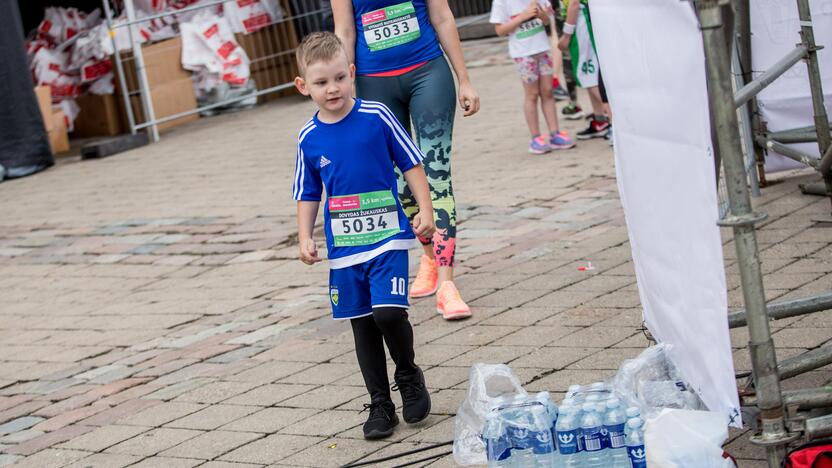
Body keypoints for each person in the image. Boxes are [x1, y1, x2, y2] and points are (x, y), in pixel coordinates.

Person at [292, 32, 433, 440]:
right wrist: (305, 236)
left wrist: (424, 210)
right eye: (321, 82)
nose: (332, 88)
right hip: (344, 248)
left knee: (388, 313)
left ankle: (407, 374)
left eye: (339, 78)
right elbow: (307, 191)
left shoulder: (376, 115)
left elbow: (411, 163)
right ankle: (380, 403)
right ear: (304, 86)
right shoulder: (308, 137)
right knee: (362, 324)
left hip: (387, 237)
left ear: (352, 74)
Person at [332, 0, 478, 320]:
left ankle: (446, 284)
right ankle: (429, 254)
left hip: (428, 73)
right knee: (399, 183)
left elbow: (441, 16)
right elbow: (344, 32)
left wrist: (464, 78)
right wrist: (344, 94)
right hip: (374, 84)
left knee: (437, 176)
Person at [491, 0, 575, 154]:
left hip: (542, 49)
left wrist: (541, 14)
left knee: (548, 91)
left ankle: (554, 133)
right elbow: (500, 30)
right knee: (532, 94)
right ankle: (535, 137)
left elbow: (547, 21)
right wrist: (522, 17)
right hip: (523, 53)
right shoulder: (501, 2)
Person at [557, 0, 610, 139]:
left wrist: (566, 34)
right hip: (581, 21)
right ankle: (600, 121)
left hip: (581, 23)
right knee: (590, 75)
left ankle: (616, 119)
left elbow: (574, 3)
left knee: (587, 73)